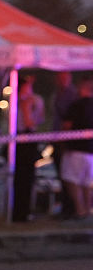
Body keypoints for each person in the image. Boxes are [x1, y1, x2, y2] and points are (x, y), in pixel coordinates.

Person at [13, 74, 45, 222]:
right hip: (21, 142)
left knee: (25, 179)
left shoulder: (33, 101)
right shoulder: (17, 102)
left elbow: (35, 122)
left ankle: (23, 212)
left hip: (26, 142)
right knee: (21, 178)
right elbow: (27, 123)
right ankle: (20, 212)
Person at [60, 76, 93, 219]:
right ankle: (88, 210)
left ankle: (80, 211)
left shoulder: (76, 105)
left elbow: (67, 126)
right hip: (90, 152)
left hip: (76, 150)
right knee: (87, 183)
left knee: (73, 181)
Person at [53, 72, 80, 218]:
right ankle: (67, 207)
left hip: (64, 141)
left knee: (68, 176)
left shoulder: (70, 95)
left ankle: (70, 208)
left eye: (64, 77)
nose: (61, 80)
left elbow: (67, 118)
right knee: (63, 176)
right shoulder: (59, 93)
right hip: (58, 138)